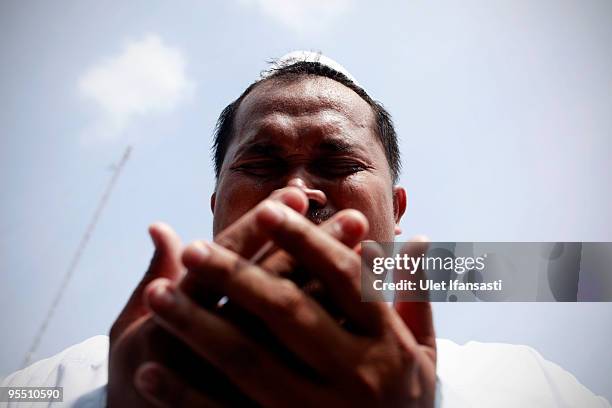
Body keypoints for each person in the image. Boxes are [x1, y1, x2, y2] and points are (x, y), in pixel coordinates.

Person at [2, 52, 609, 408]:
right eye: (260, 167)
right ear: (215, 210)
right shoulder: (51, 388)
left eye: (340, 166)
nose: (296, 194)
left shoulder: (531, 387)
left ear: (396, 210)